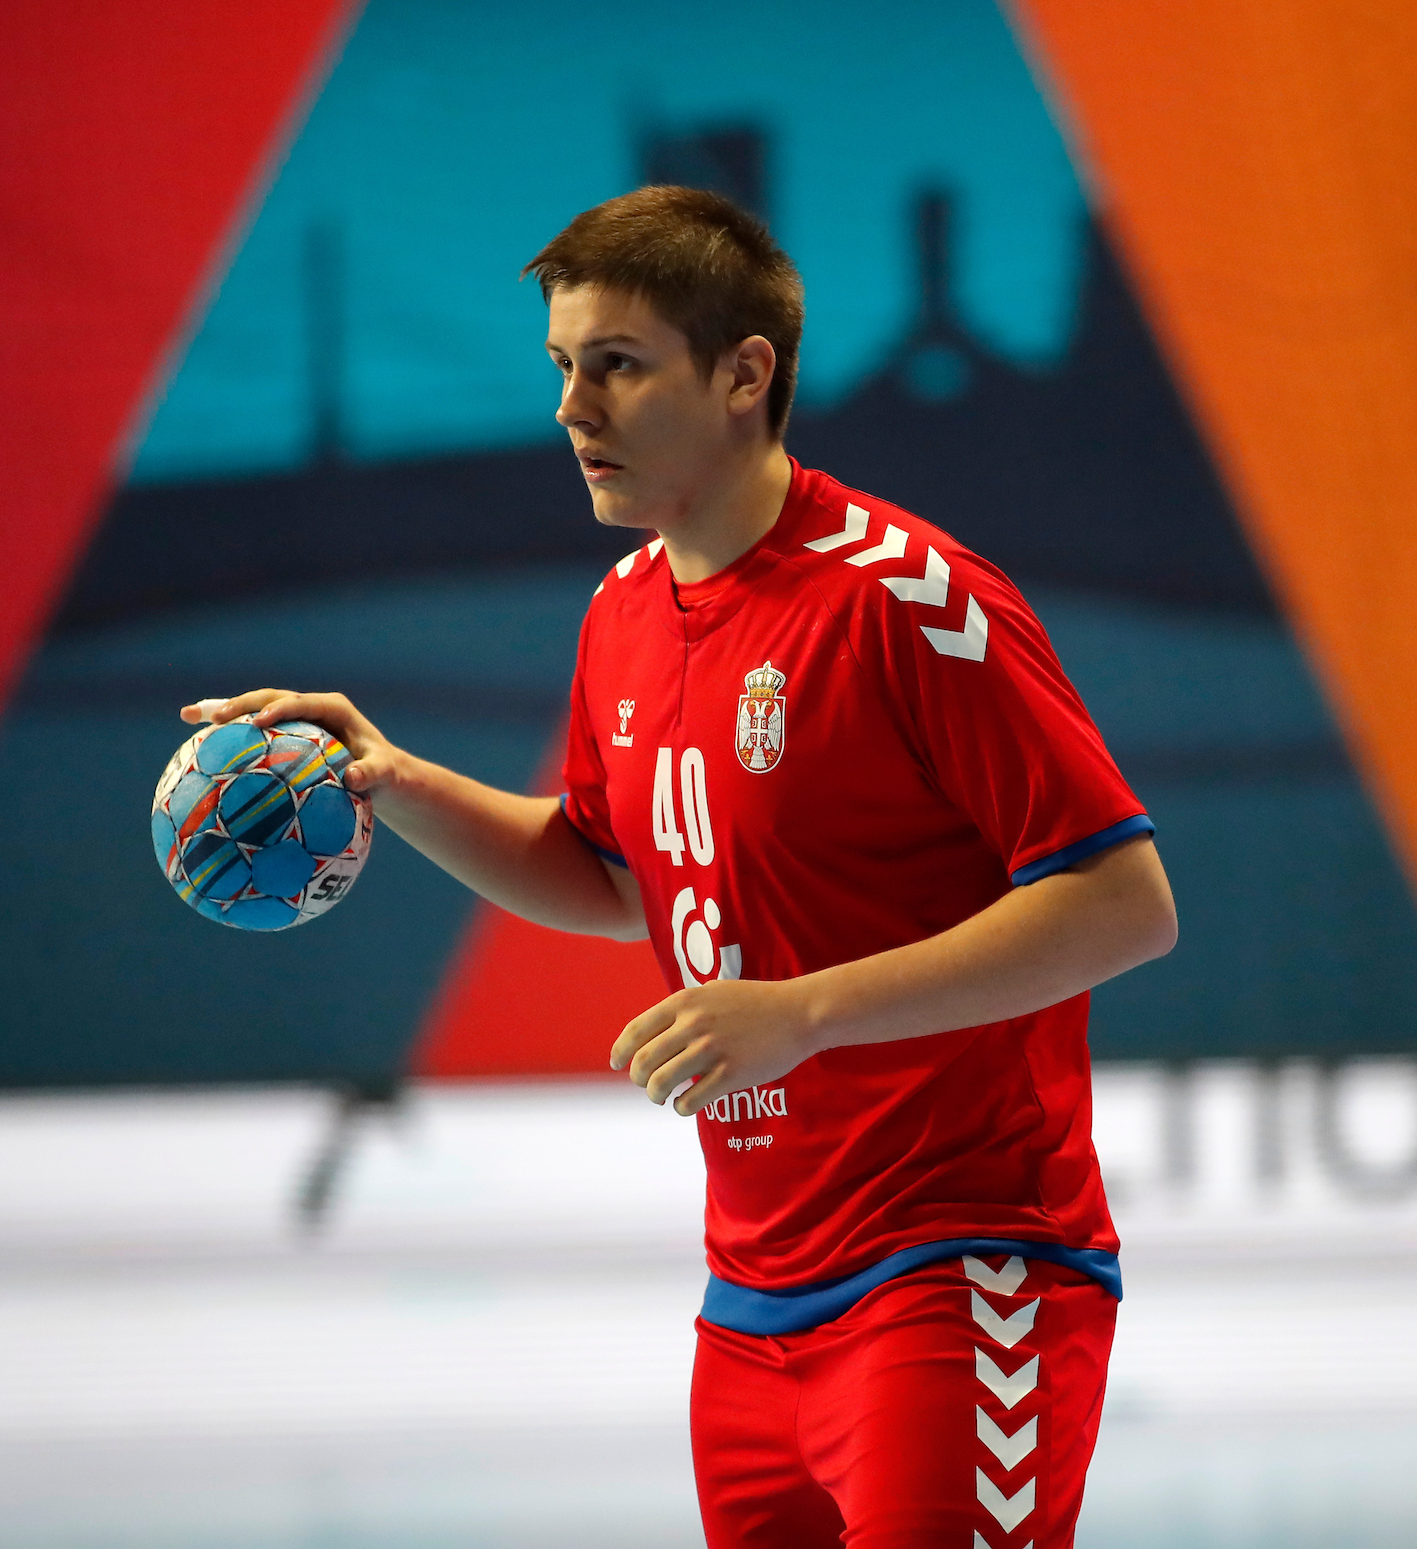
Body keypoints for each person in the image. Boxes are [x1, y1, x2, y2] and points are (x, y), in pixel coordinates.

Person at [186, 186, 1176, 1549]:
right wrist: (392, 781)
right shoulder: (625, 612)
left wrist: (801, 1007)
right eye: (560, 369)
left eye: (617, 365)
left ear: (743, 375)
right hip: (751, 1313)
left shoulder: (906, 600)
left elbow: (1123, 902)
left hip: (959, 1274)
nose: (569, 410)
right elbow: (613, 875)